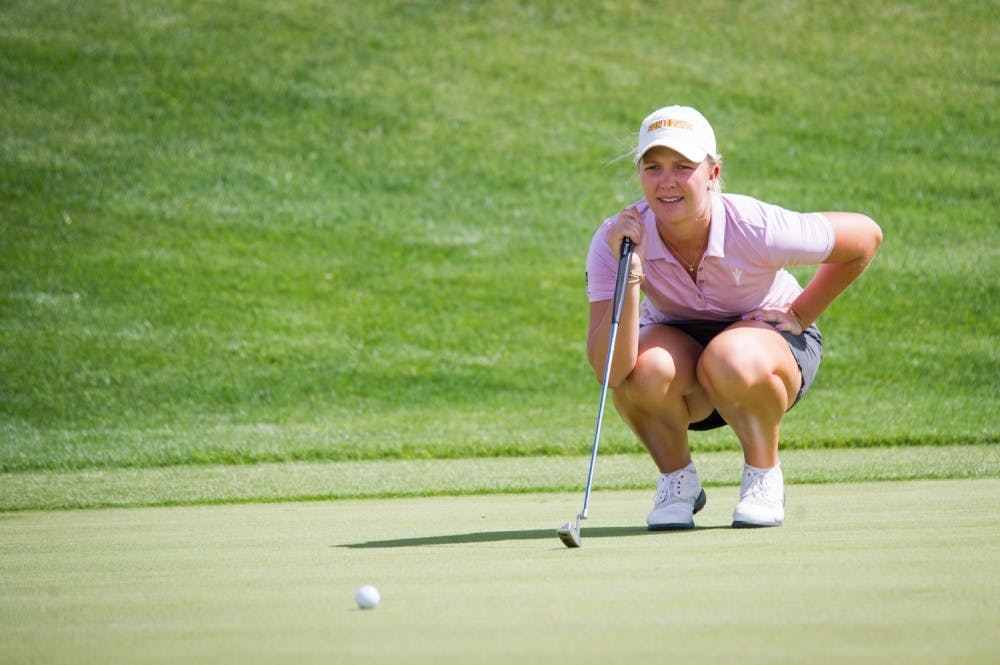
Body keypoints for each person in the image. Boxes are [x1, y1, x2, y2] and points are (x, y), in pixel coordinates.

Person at [586, 106, 882, 529]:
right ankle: (678, 482)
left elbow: (864, 236)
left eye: (683, 167)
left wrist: (802, 312)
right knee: (642, 370)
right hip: (681, 348)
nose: (667, 181)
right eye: (653, 167)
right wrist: (629, 275)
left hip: (766, 346)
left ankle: (763, 477)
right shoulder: (618, 239)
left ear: (712, 173)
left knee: (731, 357)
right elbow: (611, 372)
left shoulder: (755, 226)